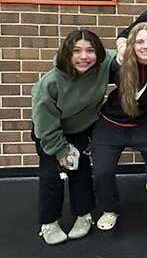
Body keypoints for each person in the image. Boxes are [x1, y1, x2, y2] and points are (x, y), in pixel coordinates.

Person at [91, 23, 147, 233]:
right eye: (139, 42)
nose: (145, 46)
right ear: (131, 45)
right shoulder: (118, 64)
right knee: (102, 170)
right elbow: (91, 65)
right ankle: (109, 209)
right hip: (112, 124)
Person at [31, 30, 115, 245]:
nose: (84, 56)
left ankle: (84, 214)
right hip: (50, 132)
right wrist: (61, 151)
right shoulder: (50, 83)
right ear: (66, 54)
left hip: (81, 130)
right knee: (52, 176)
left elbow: (124, 54)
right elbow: (45, 126)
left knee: (81, 171)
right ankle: (49, 222)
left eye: (90, 50)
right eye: (76, 51)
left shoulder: (103, 64)